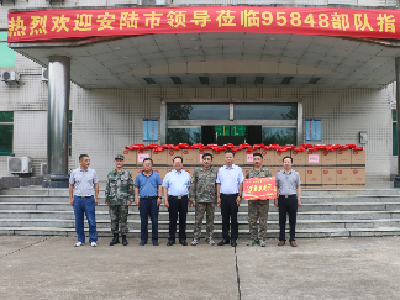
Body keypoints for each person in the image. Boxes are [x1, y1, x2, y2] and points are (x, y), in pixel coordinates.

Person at [69, 154, 99, 247]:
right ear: (80, 161)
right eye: (86, 160)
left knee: (91, 220)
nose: (88, 162)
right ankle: (80, 240)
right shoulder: (74, 172)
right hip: (78, 199)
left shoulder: (93, 172)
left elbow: (96, 184)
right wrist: (71, 198)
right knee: (78, 220)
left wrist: (96, 197)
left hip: (89, 198)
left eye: (89, 160)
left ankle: (93, 240)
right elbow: (71, 185)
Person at [216, 149, 244, 247]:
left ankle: (233, 239)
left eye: (230, 157)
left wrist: (239, 196)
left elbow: (241, 183)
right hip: (223, 197)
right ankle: (225, 238)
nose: (228, 159)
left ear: (233, 158)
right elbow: (218, 183)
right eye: (227, 157)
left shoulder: (238, 169)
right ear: (224, 158)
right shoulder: (221, 170)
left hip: (234, 197)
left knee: (234, 219)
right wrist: (218, 197)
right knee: (224, 218)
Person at [189, 153, 218, 246]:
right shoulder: (197, 171)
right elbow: (193, 185)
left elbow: (218, 185)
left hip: (211, 200)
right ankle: (196, 238)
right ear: (202, 160)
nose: (206, 161)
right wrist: (192, 198)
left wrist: (218, 197)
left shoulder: (215, 172)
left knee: (210, 220)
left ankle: (209, 238)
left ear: (211, 160)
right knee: (198, 220)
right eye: (205, 159)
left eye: (208, 159)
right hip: (200, 200)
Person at [163, 156, 192, 247]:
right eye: (175, 162)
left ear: (182, 164)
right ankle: (171, 239)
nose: (177, 164)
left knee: (183, 220)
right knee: (172, 220)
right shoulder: (169, 175)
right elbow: (165, 188)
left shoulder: (187, 174)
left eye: (179, 162)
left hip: (183, 199)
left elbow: (189, 187)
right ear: (173, 164)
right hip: (172, 200)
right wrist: (165, 200)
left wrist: (190, 199)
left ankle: (182, 239)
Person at [105, 154, 133, 247]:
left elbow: (130, 187)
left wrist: (130, 199)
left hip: (124, 201)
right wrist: (107, 198)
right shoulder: (110, 174)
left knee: (123, 219)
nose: (118, 162)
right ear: (114, 162)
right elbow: (107, 188)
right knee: (114, 219)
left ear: (123, 162)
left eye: (120, 160)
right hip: (113, 200)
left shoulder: (127, 173)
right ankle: (115, 237)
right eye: (117, 160)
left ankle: (124, 237)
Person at [246, 153, 272, 247]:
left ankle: (261, 238)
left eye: (258, 159)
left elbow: (270, 185)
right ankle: (253, 239)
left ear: (262, 160)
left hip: (263, 201)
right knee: (252, 220)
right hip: (252, 201)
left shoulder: (267, 172)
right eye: (255, 159)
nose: (256, 161)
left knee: (263, 220)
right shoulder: (249, 172)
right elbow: (247, 185)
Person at [135, 158, 163, 246]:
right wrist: (136, 198)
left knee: (154, 220)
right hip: (143, 201)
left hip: (154, 200)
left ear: (152, 165)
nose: (147, 165)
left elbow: (160, 186)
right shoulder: (139, 176)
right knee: (143, 221)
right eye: (145, 164)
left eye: (149, 164)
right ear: (142, 165)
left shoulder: (156, 175)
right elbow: (136, 187)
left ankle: (155, 239)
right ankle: (144, 239)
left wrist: (160, 197)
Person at [275, 156, 301, 247]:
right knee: (281, 220)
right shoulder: (278, 174)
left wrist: (299, 198)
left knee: (292, 220)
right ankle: (282, 239)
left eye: (288, 162)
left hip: (292, 198)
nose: (286, 163)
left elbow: (299, 186)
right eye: (285, 162)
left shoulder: (296, 174)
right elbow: (276, 187)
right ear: (283, 163)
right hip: (281, 199)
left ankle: (292, 239)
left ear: (291, 163)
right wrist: (276, 198)